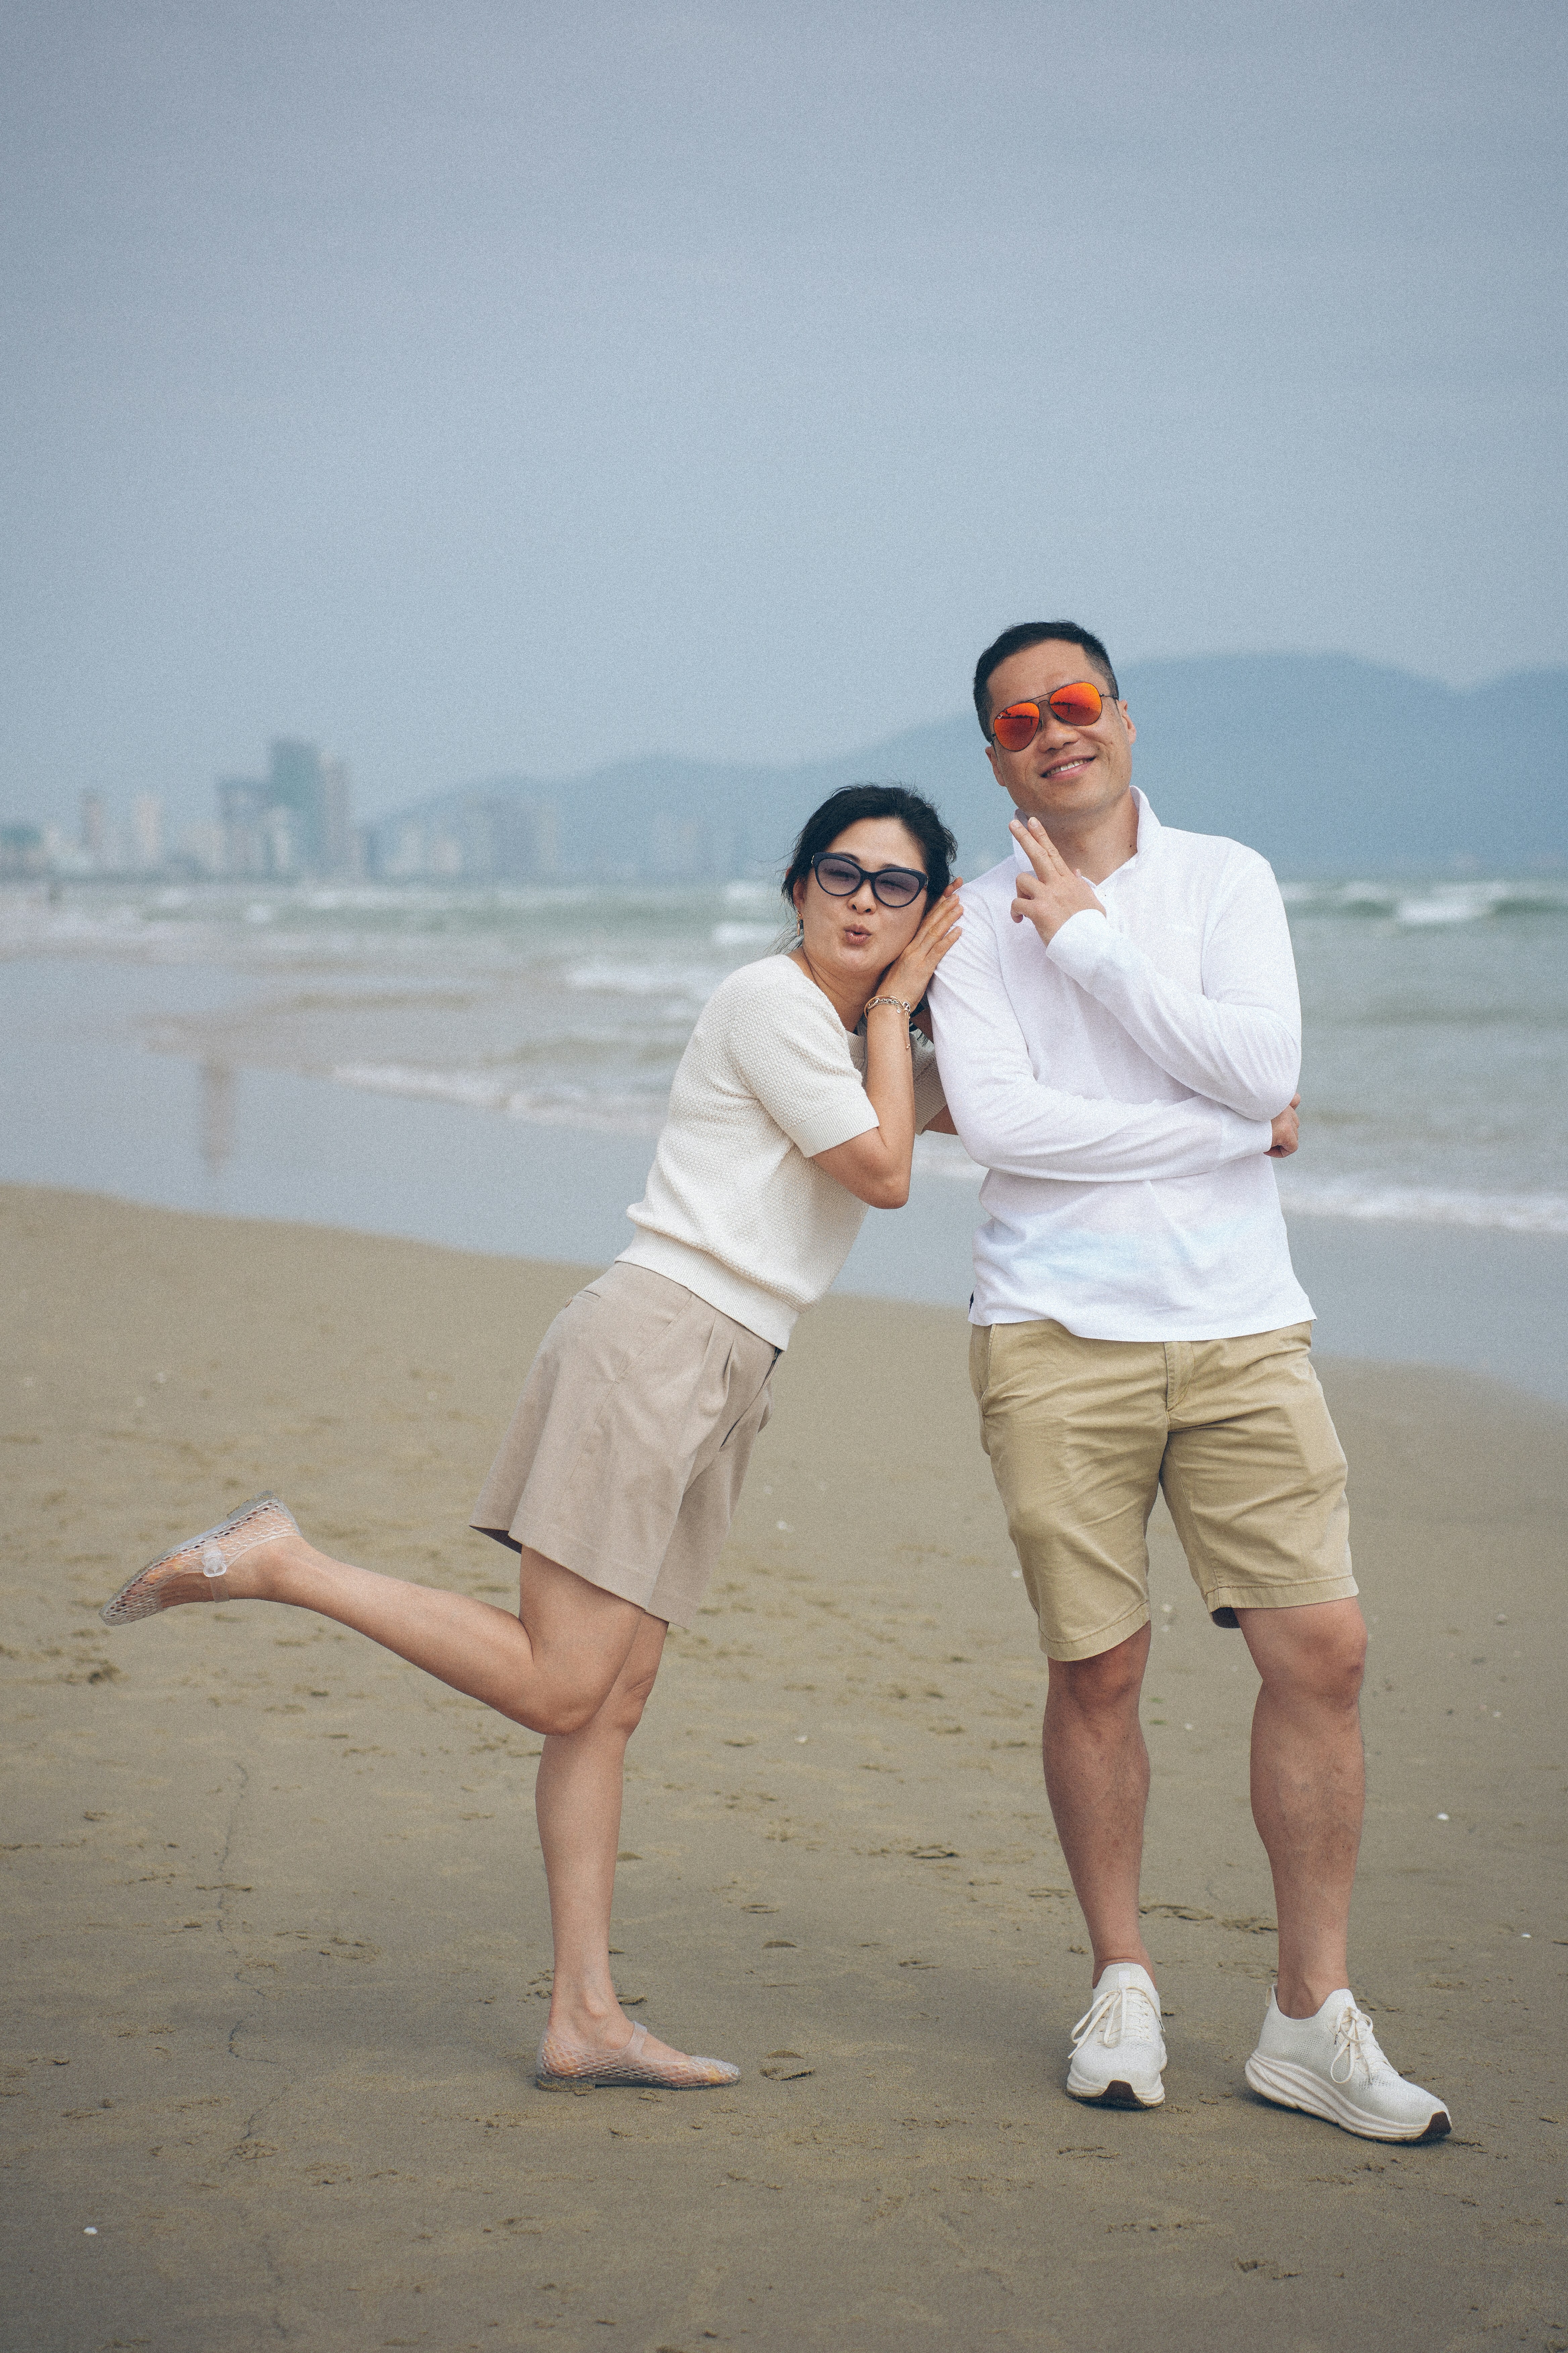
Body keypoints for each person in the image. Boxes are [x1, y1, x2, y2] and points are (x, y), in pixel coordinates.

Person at [101, 785, 961, 2094]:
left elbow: (963, 1113)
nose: (861, 898)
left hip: (729, 1365)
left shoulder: (846, 1038)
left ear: (923, 913)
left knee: (608, 1708)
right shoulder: (777, 1005)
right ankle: (283, 1561)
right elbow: (888, 1170)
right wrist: (902, 1009)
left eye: (895, 886)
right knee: (567, 1685)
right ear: (796, 888)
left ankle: (585, 2018)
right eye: (839, 872)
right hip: (656, 1341)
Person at [928, 621, 1450, 2143]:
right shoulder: (965, 922)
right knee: (1096, 1669)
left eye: (1076, 703)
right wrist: (1235, 1123)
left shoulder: (1229, 881)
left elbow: (1263, 1049)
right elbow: (1017, 1133)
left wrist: (1090, 943)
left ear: (1125, 721)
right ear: (994, 755)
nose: (1054, 730)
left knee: (1324, 1652)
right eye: (1021, 719)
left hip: (1237, 1330)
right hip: (1049, 1335)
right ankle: (1123, 1981)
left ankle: (1309, 2019)